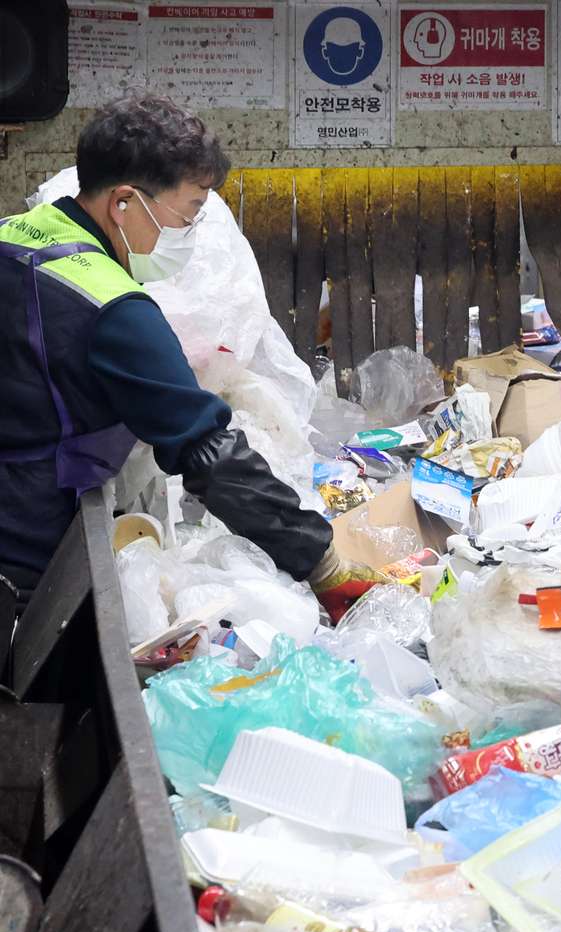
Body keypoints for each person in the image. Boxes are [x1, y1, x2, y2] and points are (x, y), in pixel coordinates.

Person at [0, 93, 381, 618]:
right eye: (190, 213)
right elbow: (209, 454)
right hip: (26, 554)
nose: (192, 234)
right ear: (124, 203)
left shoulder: (15, 235)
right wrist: (322, 562)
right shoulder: (114, 308)